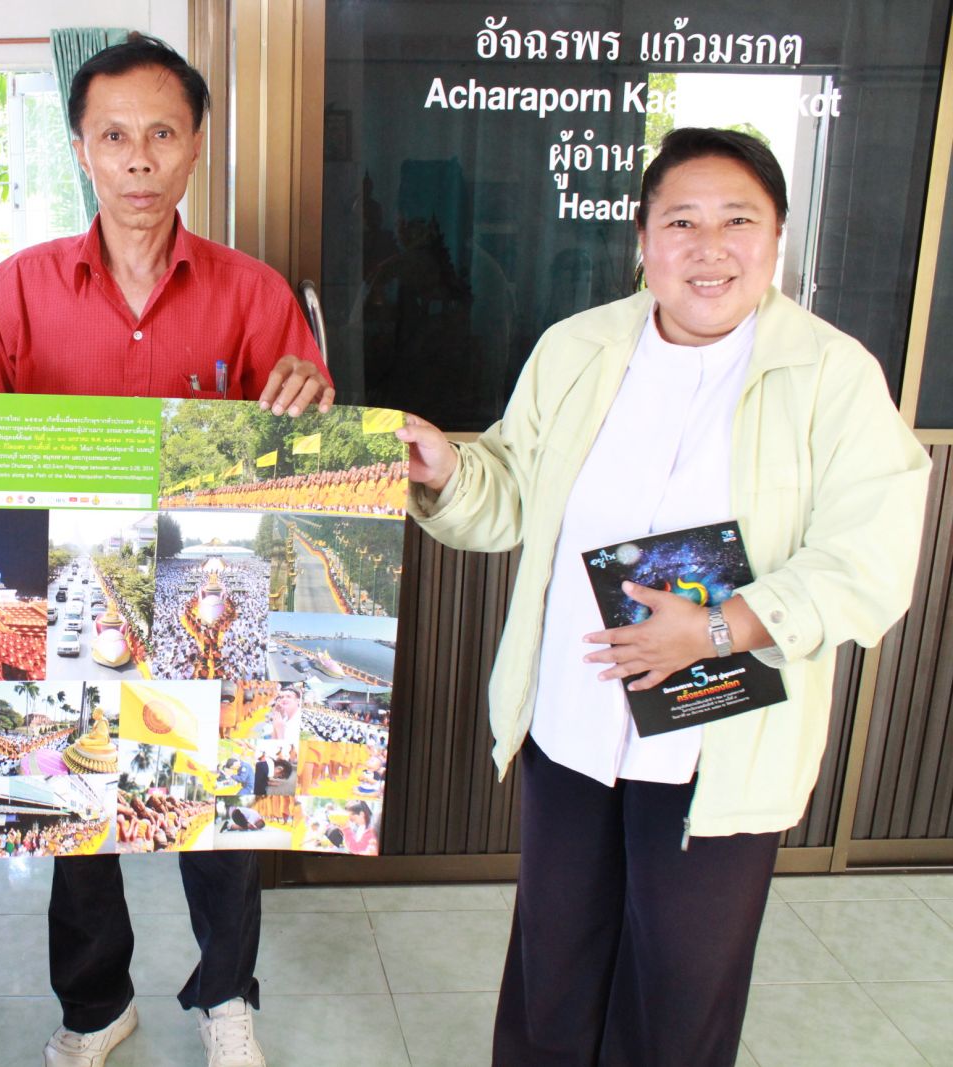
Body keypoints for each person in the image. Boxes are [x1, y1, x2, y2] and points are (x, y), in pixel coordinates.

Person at [396, 128, 930, 1066]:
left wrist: (721, 627)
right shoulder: (579, 347)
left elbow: (869, 559)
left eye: (738, 221)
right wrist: (448, 470)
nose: (709, 247)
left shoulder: (832, 373)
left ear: (776, 239)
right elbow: (511, 493)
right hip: (573, 721)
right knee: (553, 977)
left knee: (680, 995)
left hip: (717, 742)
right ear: (642, 239)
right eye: (681, 221)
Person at [0, 33, 331, 1067]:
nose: (139, 158)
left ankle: (227, 997)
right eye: (115, 135)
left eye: (161, 134)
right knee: (73, 809)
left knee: (218, 816)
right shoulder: (20, 289)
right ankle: (95, 1007)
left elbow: (301, 457)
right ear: (82, 148)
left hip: (207, 604)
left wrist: (312, 398)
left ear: (196, 146)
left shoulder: (254, 294)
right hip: (67, 605)